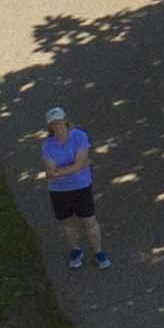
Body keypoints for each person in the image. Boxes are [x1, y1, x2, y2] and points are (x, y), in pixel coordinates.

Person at [37, 106, 104, 268]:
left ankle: (99, 253)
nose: (58, 126)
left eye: (60, 122)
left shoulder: (80, 136)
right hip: (59, 190)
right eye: (54, 124)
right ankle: (76, 249)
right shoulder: (47, 145)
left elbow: (79, 164)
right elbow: (51, 172)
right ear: (50, 127)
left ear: (66, 121)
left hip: (81, 187)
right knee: (68, 223)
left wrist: (62, 170)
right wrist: (76, 166)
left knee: (89, 220)